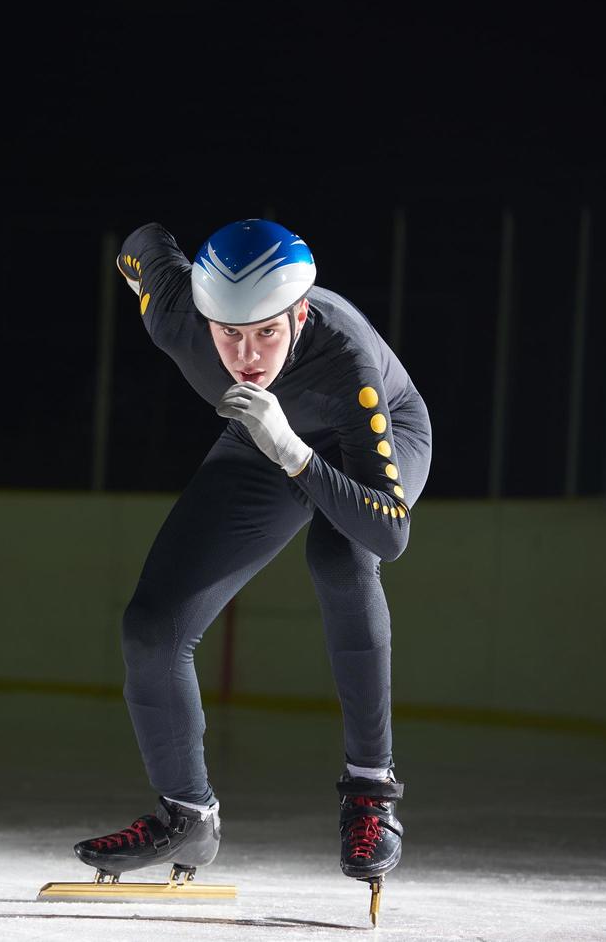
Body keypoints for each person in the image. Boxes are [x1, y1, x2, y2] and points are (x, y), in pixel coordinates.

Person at [73, 219, 430, 898]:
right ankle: (185, 813)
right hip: (259, 433)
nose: (246, 355)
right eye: (228, 334)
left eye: (267, 331)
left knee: (342, 554)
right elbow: (141, 244)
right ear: (200, 317)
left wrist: (295, 452)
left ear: (299, 311)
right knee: (151, 628)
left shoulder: (344, 358)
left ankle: (370, 791)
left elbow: (390, 534)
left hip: (367, 430)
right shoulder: (175, 315)